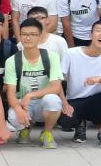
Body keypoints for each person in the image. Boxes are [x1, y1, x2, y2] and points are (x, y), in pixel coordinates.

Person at [4, 18, 65, 149]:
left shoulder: (51, 57)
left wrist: (30, 95)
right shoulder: (12, 61)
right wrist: (18, 109)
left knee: (53, 101)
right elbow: (11, 93)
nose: (28, 38)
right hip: (23, 104)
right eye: (24, 34)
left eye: (33, 34)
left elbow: (56, 87)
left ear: (40, 36)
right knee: (13, 117)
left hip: (43, 102)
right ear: (19, 35)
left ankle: (47, 133)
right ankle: (25, 129)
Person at [59, 20, 101, 148]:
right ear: (90, 35)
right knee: (65, 121)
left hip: (96, 100)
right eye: (98, 31)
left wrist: (99, 79)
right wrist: (64, 103)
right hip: (75, 100)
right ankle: (80, 124)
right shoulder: (71, 53)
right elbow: (59, 81)